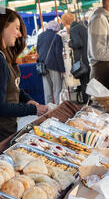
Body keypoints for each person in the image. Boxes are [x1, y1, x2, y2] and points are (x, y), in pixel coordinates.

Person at [0, 8, 48, 142]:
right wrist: (33, 109)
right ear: (3, 26)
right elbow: (1, 106)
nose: (20, 34)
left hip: (8, 131)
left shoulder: (5, 56)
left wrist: (26, 99)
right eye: (16, 28)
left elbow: (12, 88)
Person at [36, 20, 65, 105]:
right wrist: (62, 69)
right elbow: (58, 55)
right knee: (57, 89)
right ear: (55, 28)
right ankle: (57, 109)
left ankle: (48, 109)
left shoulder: (40, 36)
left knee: (47, 90)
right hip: (54, 65)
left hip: (42, 66)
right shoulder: (57, 37)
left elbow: (38, 50)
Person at [69, 18, 90, 104]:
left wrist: (70, 43)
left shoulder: (73, 30)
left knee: (84, 82)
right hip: (88, 58)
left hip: (82, 61)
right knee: (89, 81)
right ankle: (91, 101)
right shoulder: (84, 27)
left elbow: (78, 43)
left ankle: (86, 102)